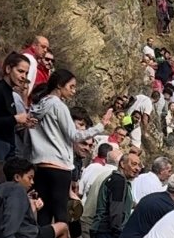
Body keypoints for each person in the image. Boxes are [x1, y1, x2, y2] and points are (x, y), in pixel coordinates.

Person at [27, 69, 111, 225]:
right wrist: (101, 126)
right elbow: (74, 135)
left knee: (43, 211)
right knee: (61, 213)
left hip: (39, 164)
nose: (74, 91)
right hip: (59, 166)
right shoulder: (59, 106)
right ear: (60, 86)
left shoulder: (38, 105)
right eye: (71, 86)